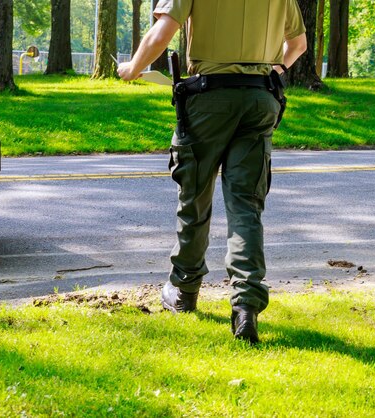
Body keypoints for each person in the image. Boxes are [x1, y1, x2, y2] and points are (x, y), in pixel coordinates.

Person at [118, 0, 307, 344]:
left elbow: (162, 34)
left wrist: (133, 67)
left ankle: (185, 290)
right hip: (260, 97)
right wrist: (276, 70)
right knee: (246, 206)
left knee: (195, 195)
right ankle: (246, 305)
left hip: (210, 98)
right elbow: (298, 44)